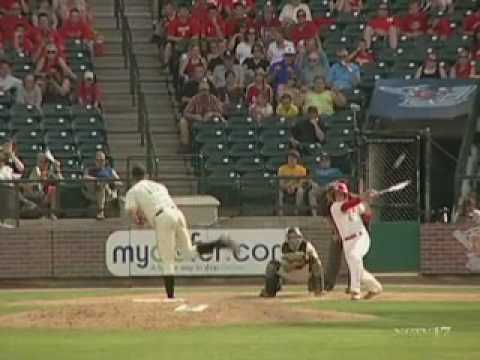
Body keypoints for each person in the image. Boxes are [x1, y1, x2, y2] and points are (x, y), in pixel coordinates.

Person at [125, 163, 239, 300]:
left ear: (133, 177)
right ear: (146, 175)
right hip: (177, 213)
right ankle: (220, 242)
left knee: (167, 260)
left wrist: (138, 220)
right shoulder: (159, 186)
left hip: (162, 218)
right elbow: (154, 201)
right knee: (188, 253)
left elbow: (133, 212)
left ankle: (170, 297)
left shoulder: (133, 190)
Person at [329, 182, 383, 300]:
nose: (338, 196)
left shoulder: (354, 205)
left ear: (345, 194)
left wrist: (367, 201)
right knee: (358, 270)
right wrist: (363, 197)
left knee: (354, 258)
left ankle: (355, 291)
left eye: (341, 194)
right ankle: (376, 287)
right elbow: (346, 206)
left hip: (360, 237)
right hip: (347, 242)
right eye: (336, 194)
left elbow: (367, 213)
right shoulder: (335, 207)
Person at [259, 227, 325, 297]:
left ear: (300, 237)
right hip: (290, 272)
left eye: (296, 237)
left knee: (316, 262)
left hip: (306, 272)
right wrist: (295, 263)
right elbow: (285, 266)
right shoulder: (284, 247)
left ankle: (318, 289)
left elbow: (311, 260)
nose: (294, 240)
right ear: (287, 239)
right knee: (272, 265)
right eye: (291, 237)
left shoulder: (306, 245)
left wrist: (295, 262)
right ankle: (270, 290)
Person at [179, 79, 224, 150]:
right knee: (183, 122)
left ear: (209, 90)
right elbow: (185, 113)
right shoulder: (195, 99)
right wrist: (195, 116)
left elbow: (221, 112)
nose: (204, 92)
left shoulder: (213, 99)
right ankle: (185, 145)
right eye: (202, 90)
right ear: (199, 91)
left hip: (211, 122)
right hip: (197, 122)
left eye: (205, 90)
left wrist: (212, 113)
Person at [83, 151, 121, 220]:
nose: (100, 162)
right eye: (98, 160)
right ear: (95, 161)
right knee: (101, 185)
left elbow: (119, 182)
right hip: (93, 191)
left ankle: (100, 212)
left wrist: (111, 182)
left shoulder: (110, 170)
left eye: (102, 160)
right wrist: (97, 179)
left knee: (103, 185)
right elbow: (85, 177)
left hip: (109, 192)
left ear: (105, 161)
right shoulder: (90, 170)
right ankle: (101, 211)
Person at [25, 152, 63, 220]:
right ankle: (44, 214)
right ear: (38, 162)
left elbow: (61, 182)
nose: (44, 164)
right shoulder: (35, 170)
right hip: (34, 194)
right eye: (42, 162)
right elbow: (31, 186)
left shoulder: (50, 171)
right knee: (46, 192)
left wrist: (57, 169)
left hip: (45, 195)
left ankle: (51, 213)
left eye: (46, 162)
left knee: (52, 189)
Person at [277, 149, 307, 216]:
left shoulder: (302, 169)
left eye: (294, 158)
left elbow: (302, 183)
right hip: (285, 187)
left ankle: (296, 211)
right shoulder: (282, 169)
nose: (291, 160)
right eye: (290, 158)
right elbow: (281, 183)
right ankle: (280, 212)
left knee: (300, 191)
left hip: (296, 188)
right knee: (280, 192)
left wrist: (294, 187)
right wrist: (287, 187)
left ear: (297, 160)